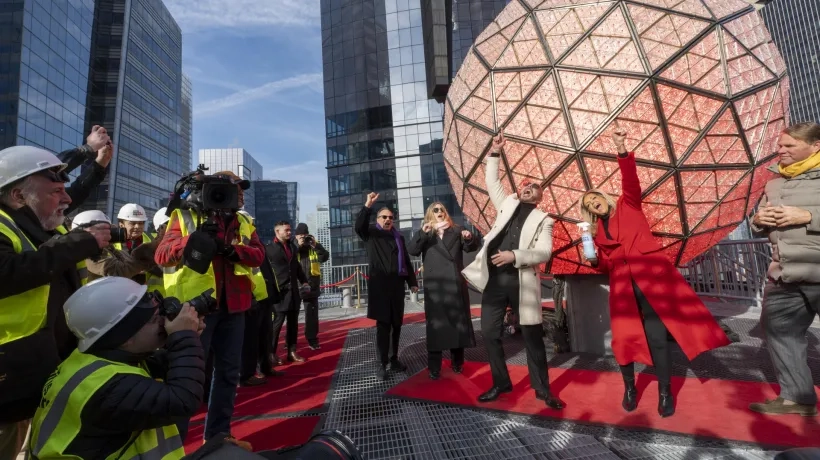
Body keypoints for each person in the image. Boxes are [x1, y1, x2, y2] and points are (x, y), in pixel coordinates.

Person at [579, 130, 730, 418]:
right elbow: (605, 265)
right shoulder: (595, 232)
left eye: (594, 198)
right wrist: (592, 261)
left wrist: (622, 150)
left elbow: (630, 180)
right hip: (623, 288)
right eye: (588, 205)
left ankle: (664, 392)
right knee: (624, 339)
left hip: (652, 280)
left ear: (603, 197)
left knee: (658, 338)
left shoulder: (629, 204)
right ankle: (630, 389)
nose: (593, 204)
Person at [0, 126, 112, 459]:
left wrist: (97, 167)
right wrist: (79, 242)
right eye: (56, 192)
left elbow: (65, 191)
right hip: (7, 385)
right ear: (19, 196)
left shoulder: (40, 222)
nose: (67, 200)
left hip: (38, 373)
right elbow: (8, 274)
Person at [27, 277, 205, 459]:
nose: (163, 322)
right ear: (125, 337)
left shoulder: (93, 360)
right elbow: (183, 400)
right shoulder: (109, 389)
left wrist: (183, 340)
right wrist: (184, 338)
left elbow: (158, 368)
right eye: (153, 319)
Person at [155, 170, 265, 447]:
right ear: (214, 189)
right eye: (234, 188)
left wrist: (232, 251)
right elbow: (162, 254)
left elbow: (258, 255)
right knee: (186, 373)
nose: (240, 193)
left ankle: (218, 435)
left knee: (229, 373)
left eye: (241, 190)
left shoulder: (243, 222)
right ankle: (175, 441)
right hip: (195, 310)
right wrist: (192, 241)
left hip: (235, 307)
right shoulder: (185, 216)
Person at [462, 134, 564, 410]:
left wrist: (514, 256)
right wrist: (494, 151)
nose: (528, 187)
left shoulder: (544, 219)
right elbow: (491, 181)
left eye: (535, 186)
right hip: (495, 280)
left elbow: (544, 253)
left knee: (532, 338)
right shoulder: (506, 203)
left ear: (540, 195)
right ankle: (501, 382)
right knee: (489, 333)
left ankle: (543, 390)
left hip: (522, 281)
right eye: (526, 184)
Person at [748, 122, 820, 417]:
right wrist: (761, 219)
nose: (781, 150)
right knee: (778, 330)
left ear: (815, 146)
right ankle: (797, 398)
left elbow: (805, 216)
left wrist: (807, 215)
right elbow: (757, 224)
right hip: (785, 272)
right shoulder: (774, 182)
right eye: (780, 145)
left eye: (790, 146)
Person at [407, 202, 478, 380]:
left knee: (456, 324)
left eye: (442, 210)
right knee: (436, 326)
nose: (439, 212)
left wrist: (469, 237)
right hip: (435, 286)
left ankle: (457, 363)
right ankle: (434, 367)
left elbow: (471, 247)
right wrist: (423, 233)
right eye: (435, 210)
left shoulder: (457, 230)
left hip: (454, 283)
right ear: (430, 214)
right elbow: (413, 250)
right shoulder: (426, 232)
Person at [355, 192, 419, 380]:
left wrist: (412, 282)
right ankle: (381, 363)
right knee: (383, 326)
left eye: (391, 217)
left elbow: (406, 260)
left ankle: (394, 359)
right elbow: (359, 226)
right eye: (384, 217)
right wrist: (367, 205)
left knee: (397, 325)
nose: (388, 220)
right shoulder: (371, 234)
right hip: (380, 287)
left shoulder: (398, 237)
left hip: (397, 287)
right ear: (378, 219)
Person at [239, 210, 284, 387]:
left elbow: (267, 271)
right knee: (250, 340)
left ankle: (265, 366)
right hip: (251, 298)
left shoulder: (257, 245)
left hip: (263, 297)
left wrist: (273, 292)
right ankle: (247, 373)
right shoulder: (243, 245)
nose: (253, 226)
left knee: (265, 335)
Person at [266, 221, 311, 365]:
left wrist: (304, 281)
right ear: (277, 232)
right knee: (276, 324)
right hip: (279, 293)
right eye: (286, 230)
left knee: (293, 324)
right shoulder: (269, 249)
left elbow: (296, 266)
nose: (289, 232)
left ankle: (292, 352)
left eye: (290, 230)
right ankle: (271, 354)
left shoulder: (292, 247)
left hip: (294, 292)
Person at [72, 210, 158, 283]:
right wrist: (150, 250)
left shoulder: (108, 248)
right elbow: (118, 271)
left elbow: (128, 260)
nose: (110, 233)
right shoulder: (88, 251)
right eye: (104, 229)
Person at [294, 223, 330, 350]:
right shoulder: (291, 246)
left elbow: (325, 257)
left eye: (305, 235)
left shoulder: (313, 245)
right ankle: (290, 343)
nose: (304, 238)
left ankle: (313, 340)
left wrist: (315, 245)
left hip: (312, 285)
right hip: (295, 285)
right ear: (296, 236)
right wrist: (297, 244)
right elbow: (287, 258)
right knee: (292, 315)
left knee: (312, 315)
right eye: (301, 235)